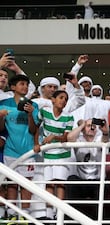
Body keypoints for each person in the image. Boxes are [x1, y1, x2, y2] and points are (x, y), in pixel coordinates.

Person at [0, 75, 40, 221]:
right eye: (21, 84)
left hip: (28, 151)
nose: (25, 87)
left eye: (26, 84)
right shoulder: (4, 104)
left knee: (26, 184)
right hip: (10, 150)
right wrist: (0, 117)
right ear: (13, 87)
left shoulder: (34, 105)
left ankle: (25, 216)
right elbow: (1, 128)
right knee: (11, 184)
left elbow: (33, 130)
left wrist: (30, 115)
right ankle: (11, 215)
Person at [36, 90, 74, 219]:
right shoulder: (44, 112)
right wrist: (37, 143)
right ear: (53, 99)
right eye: (61, 97)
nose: (63, 100)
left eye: (65, 99)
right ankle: (49, 215)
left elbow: (65, 137)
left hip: (62, 154)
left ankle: (60, 215)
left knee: (60, 183)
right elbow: (36, 127)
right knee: (49, 184)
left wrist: (53, 137)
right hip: (48, 153)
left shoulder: (69, 116)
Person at [66, 118, 109, 219]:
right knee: (71, 179)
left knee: (103, 185)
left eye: (93, 126)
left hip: (97, 181)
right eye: (88, 125)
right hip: (83, 181)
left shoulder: (99, 138)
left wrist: (105, 132)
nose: (92, 127)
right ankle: (75, 219)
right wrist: (81, 125)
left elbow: (105, 140)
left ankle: (97, 220)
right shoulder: (79, 140)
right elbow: (69, 138)